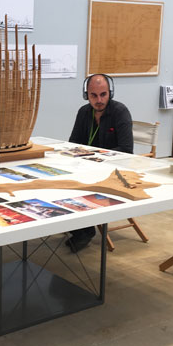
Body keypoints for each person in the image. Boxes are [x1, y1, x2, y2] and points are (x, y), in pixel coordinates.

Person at [67, 73, 133, 252]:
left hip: (113, 170)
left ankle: (85, 230)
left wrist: (96, 156)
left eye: (103, 94)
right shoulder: (83, 112)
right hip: (88, 167)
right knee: (63, 182)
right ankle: (79, 228)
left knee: (81, 186)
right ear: (86, 95)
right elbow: (72, 143)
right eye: (93, 95)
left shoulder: (120, 111)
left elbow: (127, 150)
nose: (99, 100)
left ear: (110, 93)